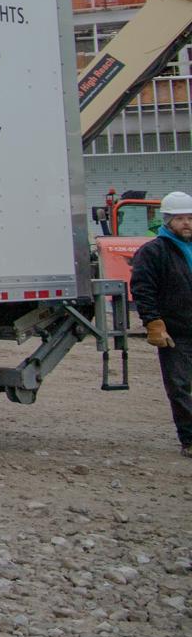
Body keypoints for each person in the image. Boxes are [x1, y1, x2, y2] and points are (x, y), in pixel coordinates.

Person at [127, 189, 192, 457]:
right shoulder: (153, 252)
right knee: (179, 386)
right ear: (166, 221)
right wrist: (153, 322)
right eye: (180, 219)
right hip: (175, 332)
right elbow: (143, 289)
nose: (186, 223)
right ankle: (189, 439)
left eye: (190, 218)